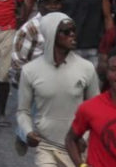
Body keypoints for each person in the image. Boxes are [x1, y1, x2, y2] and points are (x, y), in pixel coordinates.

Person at [16, 13, 99, 167]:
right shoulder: (30, 71)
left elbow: (96, 110)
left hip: (77, 148)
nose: (72, 35)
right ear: (52, 34)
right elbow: (23, 111)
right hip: (46, 147)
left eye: (73, 30)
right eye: (66, 32)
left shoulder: (86, 68)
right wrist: (28, 132)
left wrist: (86, 137)